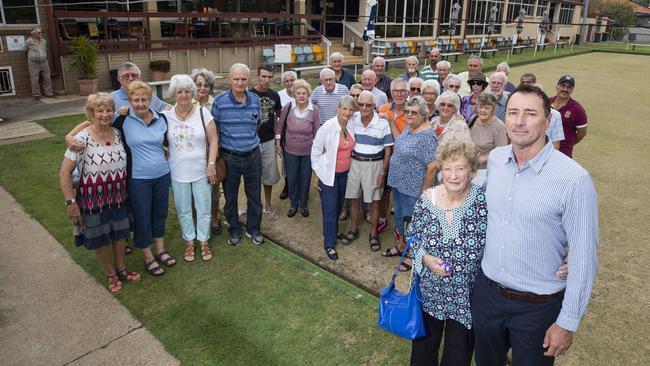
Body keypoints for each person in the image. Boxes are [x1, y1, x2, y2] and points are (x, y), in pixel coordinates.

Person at [472, 84, 599, 366]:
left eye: (530, 114)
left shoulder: (574, 180)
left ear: (548, 120)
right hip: (487, 295)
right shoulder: (495, 160)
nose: (519, 121)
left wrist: (567, 322)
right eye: (514, 112)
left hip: (538, 307)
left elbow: (584, 257)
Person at [65, 82, 176, 276]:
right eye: (136, 99)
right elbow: (94, 122)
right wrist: (70, 136)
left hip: (162, 175)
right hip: (138, 179)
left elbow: (167, 140)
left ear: (151, 100)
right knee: (142, 217)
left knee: (160, 213)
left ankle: (161, 250)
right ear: (130, 101)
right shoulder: (122, 121)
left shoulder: (162, 119)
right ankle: (148, 256)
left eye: (144, 99)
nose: (140, 103)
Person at [407, 137, 485, 366]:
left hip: (467, 299)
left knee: (457, 358)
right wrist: (426, 259)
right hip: (429, 294)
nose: (453, 175)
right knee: (422, 355)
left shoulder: (483, 200)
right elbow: (412, 237)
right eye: (448, 168)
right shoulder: (426, 199)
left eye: (460, 168)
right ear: (440, 169)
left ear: (472, 171)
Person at [59, 93, 139, 294]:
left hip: (119, 195)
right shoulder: (80, 140)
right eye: (99, 110)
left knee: (120, 234)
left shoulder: (117, 133)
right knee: (99, 236)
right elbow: (64, 172)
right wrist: (70, 202)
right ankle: (110, 273)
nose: (105, 114)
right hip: (93, 197)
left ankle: (121, 267)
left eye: (108, 110)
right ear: (91, 113)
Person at [164, 74, 218, 262]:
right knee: (183, 209)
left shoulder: (203, 113)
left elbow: (214, 139)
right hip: (177, 172)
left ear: (192, 93)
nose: (184, 95)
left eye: (187, 91)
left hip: (202, 171)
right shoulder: (165, 115)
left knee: (204, 208)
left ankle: (203, 241)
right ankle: (189, 241)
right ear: (173, 94)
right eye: (179, 91)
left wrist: (211, 165)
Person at [211, 63, 264, 246]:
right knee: (231, 198)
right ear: (229, 80)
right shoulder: (219, 102)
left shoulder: (255, 100)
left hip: (253, 157)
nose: (240, 82)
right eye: (236, 79)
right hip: (230, 158)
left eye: (244, 79)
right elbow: (215, 131)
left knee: (255, 197)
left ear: (249, 80)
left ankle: (254, 229)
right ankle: (234, 230)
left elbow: (257, 125)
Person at [383, 97, 438, 272]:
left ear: (423, 114)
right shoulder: (409, 127)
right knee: (399, 217)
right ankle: (401, 246)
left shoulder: (428, 136)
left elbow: (432, 167)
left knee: (412, 223)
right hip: (399, 184)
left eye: (414, 112)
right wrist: (392, 122)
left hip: (413, 189)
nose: (409, 115)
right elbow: (401, 142)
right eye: (407, 111)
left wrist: (424, 194)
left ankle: (411, 256)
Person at [340, 91, 393, 251]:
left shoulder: (382, 123)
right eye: (361, 104)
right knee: (353, 199)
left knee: (375, 202)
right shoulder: (352, 119)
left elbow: (388, 150)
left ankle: (374, 234)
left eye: (368, 105)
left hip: (374, 164)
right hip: (355, 162)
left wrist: (383, 173)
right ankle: (353, 230)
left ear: (374, 105)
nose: (364, 107)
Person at [311, 96, 357, 260]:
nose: (347, 112)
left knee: (338, 207)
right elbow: (316, 151)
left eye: (351, 109)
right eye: (344, 108)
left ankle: (333, 231)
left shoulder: (351, 125)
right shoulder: (328, 127)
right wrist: (316, 174)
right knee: (330, 210)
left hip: (345, 174)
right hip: (328, 175)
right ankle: (329, 244)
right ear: (338, 108)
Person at [275, 79, 320, 217]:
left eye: (304, 93)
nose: (301, 95)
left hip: (308, 151)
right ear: (294, 94)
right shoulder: (288, 107)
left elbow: (317, 131)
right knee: (293, 178)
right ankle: (294, 204)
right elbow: (279, 127)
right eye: (298, 93)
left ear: (308, 95)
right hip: (290, 151)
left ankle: (304, 205)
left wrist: (318, 151)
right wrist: (278, 144)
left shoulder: (314, 110)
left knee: (305, 178)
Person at [191, 68, 223, 235]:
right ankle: (196, 219)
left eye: (206, 85)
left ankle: (215, 217)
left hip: (212, 154)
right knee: (194, 190)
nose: (202, 88)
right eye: (198, 85)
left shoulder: (215, 104)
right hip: (192, 156)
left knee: (214, 189)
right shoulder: (186, 103)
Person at [250, 64, 282, 220]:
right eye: (263, 76)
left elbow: (278, 120)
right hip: (252, 142)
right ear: (258, 76)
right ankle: (254, 207)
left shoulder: (275, 96)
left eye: (270, 77)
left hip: (269, 141)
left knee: (268, 176)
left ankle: (267, 206)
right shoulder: (248, 95)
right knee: (253, 176)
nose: (266, 80)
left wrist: (277, 142)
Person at [468, 93, 507, 185]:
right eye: (480, 107)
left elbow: (501, 152)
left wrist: (481, 159)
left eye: (487, 108)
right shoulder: (473, 119)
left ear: (493, 109)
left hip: (486, 172)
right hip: (469, 168)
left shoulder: (499, 126)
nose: (482, 110)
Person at [549, 75, 588, 158]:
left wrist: (568, 143)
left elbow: (582, 133)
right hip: (544, 150)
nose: (565, 89)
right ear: (557, 86)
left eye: (569, 87)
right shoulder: (546, 102)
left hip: (564, 154)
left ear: (572, 90)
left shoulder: (577, 109)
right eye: (563, 86)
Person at [277, 70, 298, 200]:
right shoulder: (279, 95)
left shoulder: (303, 94)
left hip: (300, 134)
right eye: (287, 81)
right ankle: (288, 185)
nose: (290, 83)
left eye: (292, 80)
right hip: (285, 134)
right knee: (286, 162)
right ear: (283, 83)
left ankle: (299, 186)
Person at [24, 27, 53, 99]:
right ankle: (36, 95)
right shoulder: (29, 41)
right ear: (33, 34)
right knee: (34, 78)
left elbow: (45, 49)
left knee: (47, 78)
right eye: (39, 33)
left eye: (41, 32)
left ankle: (49, 93)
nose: (41, 34)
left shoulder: (44, 41)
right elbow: (24, 49)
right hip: (33, 62)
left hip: (44, 62)